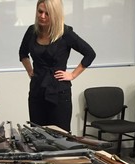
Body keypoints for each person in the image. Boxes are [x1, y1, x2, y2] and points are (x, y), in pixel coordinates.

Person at [19, 0, 96, 132]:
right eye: (40, 11)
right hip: (37, 91)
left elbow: (90, 54)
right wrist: (30, 71)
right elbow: (23, 53)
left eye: (47, 13)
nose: (42, 16)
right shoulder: (32, 31)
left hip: (59, 93)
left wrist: (72, 75)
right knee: (37, 135)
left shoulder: (65, 33)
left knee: (60, 137)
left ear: (55, 14)